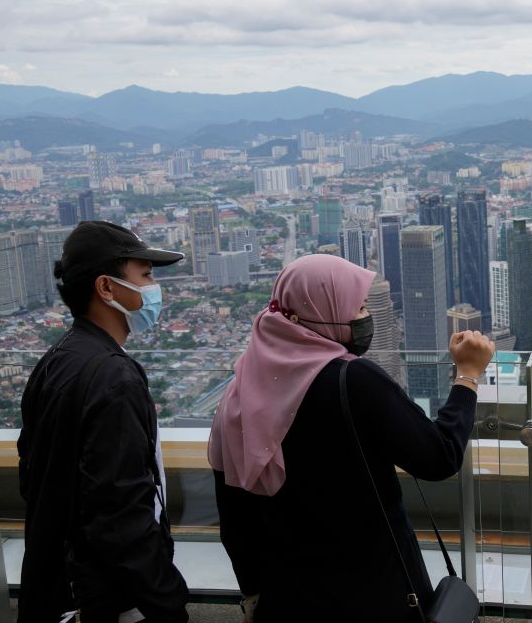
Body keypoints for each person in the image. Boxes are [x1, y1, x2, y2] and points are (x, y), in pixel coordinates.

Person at [209, 254, 494, 622]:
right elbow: (439, 456)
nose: (363, 316)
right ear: (317, 311)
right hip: (376, 593)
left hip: (289, 600)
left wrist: (252, 595)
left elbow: (234, 518)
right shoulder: (354, 381)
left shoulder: (239, 395)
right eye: (356, 306)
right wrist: (468, 376)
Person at [18, 221, 189, 622]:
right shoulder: (115, 378)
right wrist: (167, 604)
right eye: (144, 275)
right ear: (106, 288)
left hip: (56, 587)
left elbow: (32, 474)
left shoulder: (57, 359)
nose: (153, 288)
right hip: (104, 601)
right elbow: (121, 514)